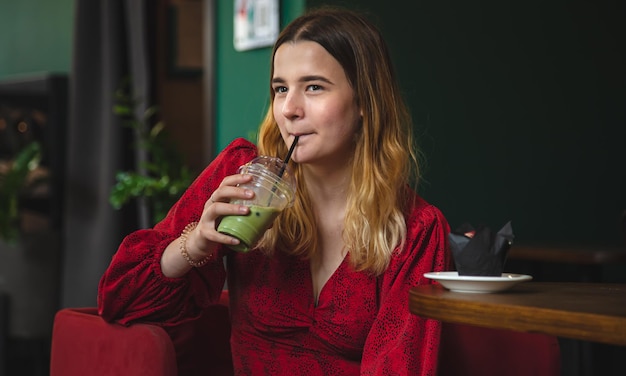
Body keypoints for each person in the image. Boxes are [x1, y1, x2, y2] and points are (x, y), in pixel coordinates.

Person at [98, 6, 450, 376]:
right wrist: (195, 244)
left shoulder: (416, 229)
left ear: (364, 100)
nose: (288, 109)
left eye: (314, 87)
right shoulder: (243, 177)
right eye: (280, 88)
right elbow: (119, 300)